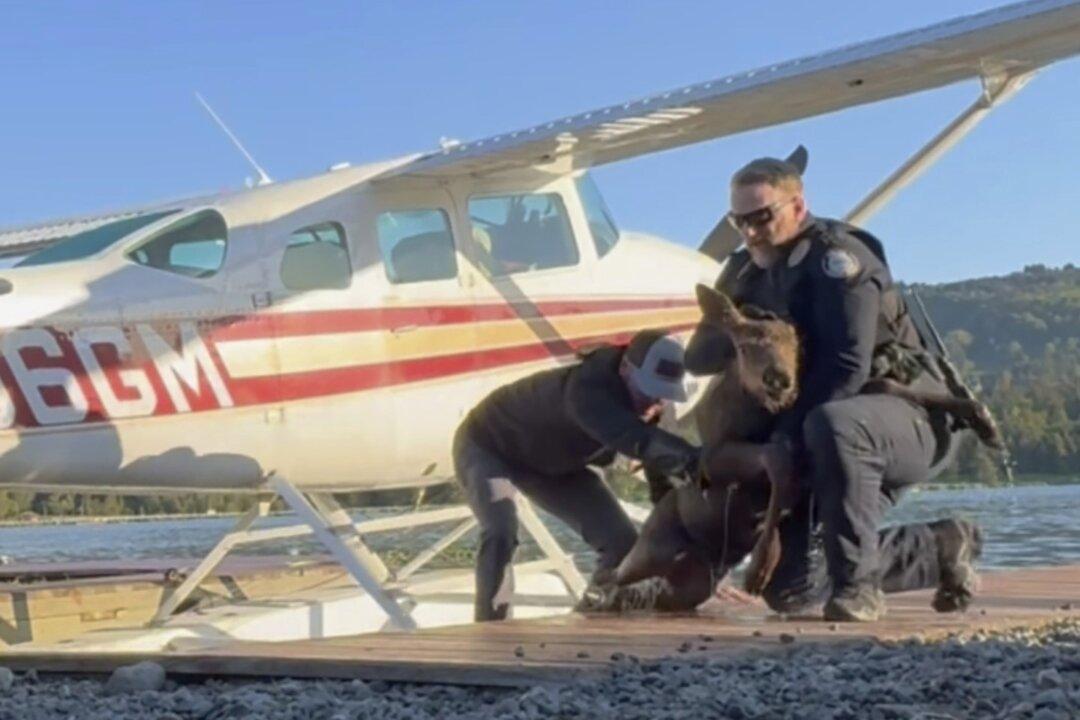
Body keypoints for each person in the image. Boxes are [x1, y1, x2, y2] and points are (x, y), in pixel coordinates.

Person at [686, 157, 983, 622]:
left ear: (798, 206)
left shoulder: (837, 261)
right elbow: (697, 358)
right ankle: (939, 546)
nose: (750, 232)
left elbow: (846, 368)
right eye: (738, 221)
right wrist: (738, 326)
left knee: (835, 421)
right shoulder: (746, 271)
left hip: (903, 416)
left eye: (761, 217)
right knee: (792, 588)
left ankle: (859, 589)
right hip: (824, 434)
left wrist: (784, 439)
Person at [454, 329, 700, 621]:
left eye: (664, 395)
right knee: (500, 528)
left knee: (622, 543)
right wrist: (702, 461)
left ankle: (589, 619)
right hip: (489, 444)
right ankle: (490, 628)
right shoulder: (588, 389)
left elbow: (664, 481)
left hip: (554, 464)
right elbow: (637, 440)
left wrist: (687, 553)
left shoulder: (657, 405)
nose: (655, 404)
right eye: (648, 391)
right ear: (624, 369)